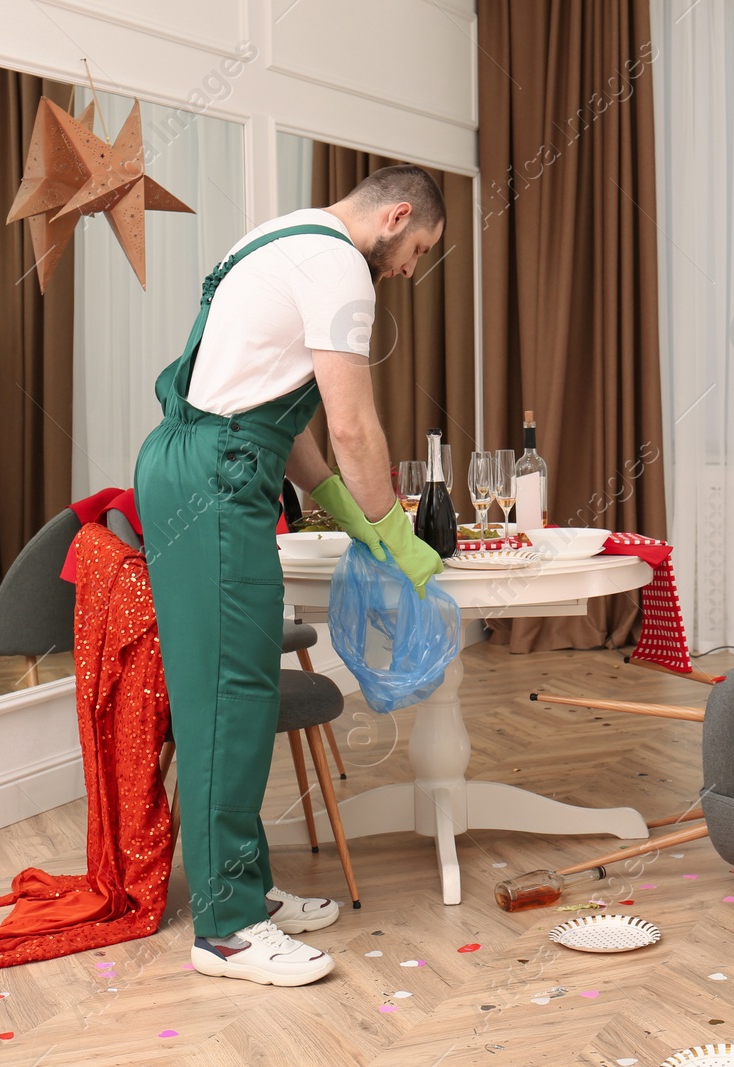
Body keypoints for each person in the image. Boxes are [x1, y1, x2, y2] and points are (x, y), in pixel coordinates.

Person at [134, 165, 445, 987]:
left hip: (206, 462)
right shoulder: (343, 266)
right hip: (216, 478)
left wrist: (343, 509)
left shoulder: (280, 238)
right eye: (417, 250)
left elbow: (284, 408)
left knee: (238, 688)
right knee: (225, 700)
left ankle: (246, 886)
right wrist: (393, 534)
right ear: (399, 216)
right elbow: (350, 422)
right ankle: (227, 931)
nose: (410, 268)